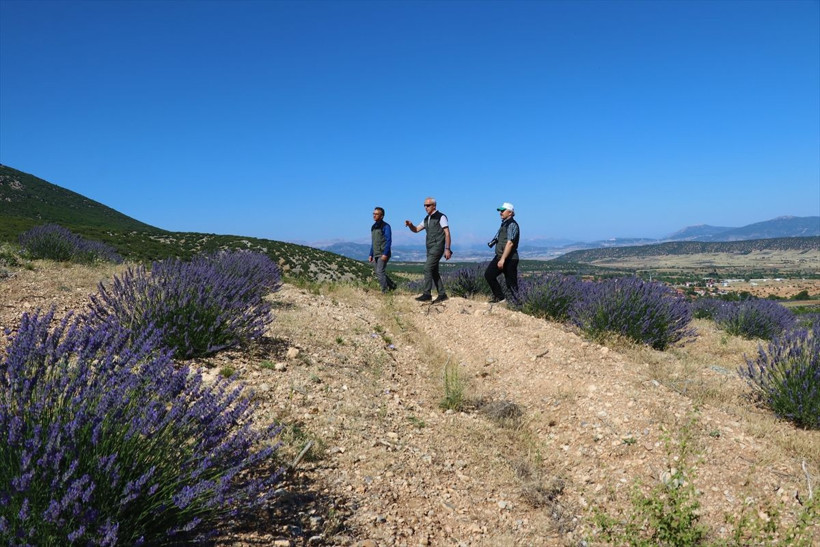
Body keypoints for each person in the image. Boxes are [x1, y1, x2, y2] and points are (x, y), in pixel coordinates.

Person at [405, 197, 452, 303]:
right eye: (424, 205)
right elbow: (416, 229)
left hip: (438, 247)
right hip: (429, 248)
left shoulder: (441, 217)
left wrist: (447, 249)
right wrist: (410, 225)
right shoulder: (427, 219)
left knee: (427, 268)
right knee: (434, 271)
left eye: (428, 205)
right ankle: (442, 294)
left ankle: (427, 294)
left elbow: (447, 233)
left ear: (434, 206)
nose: (426, 207)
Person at [484, 202, 520, 303]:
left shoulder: (512, 225)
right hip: (500, 256)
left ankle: (516, 305)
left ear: (510, 213)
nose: (500, 213)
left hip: (510, 258)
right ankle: (500, 298)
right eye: (500, 211)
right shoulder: (504, 224)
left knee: (511, 283)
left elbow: (510, 243)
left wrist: (503, 259)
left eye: (503, 211)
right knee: (489, 275)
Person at [369, 206, 397, 293]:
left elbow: (389, 240)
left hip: (383, 253)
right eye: (373, 214)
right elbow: (373, 242)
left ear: (382, 216)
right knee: (378, 272)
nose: (374, 215)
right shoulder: (373, 227)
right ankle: (392, 286)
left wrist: (385, 253)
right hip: (376, 253)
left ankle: (385, 291)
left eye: (376, 214)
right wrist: (371, 254)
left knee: (380, 271)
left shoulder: (386, 226)